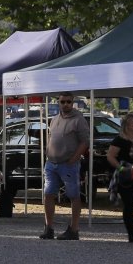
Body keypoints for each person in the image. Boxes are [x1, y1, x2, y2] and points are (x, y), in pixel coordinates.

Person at [41, 94, 89, 240]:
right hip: (51, 163)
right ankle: (49, 228)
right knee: (48, 194)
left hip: (68, 164)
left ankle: (74, 230)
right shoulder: (54, 119)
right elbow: (51, 137)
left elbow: (85, 141)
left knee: (73, 195)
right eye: (63, 102)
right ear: (58, 102)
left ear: (72, 102)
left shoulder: (79, 119)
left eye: (68, 101)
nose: (65, 104)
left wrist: (74, 159)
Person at [105, 114, 133, 243]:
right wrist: (121, 168)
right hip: (126, 174)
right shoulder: (119, 140)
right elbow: (110, 156)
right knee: (129, 204)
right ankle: (131, 234)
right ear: (127, 125)